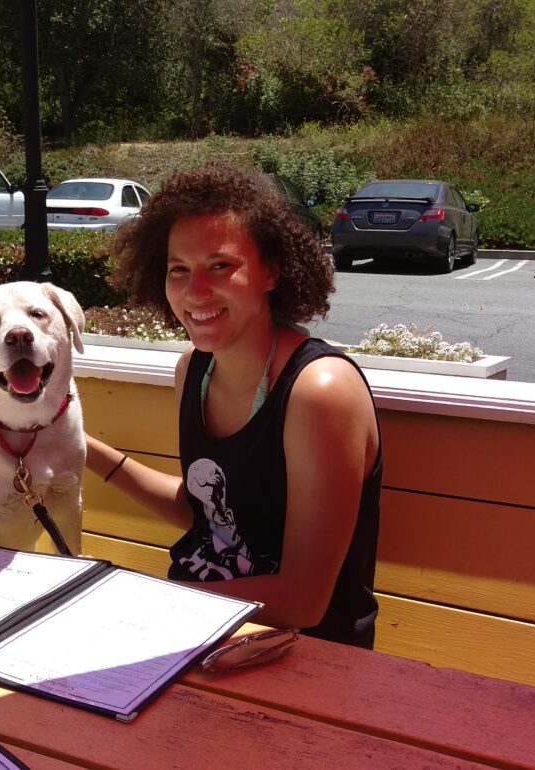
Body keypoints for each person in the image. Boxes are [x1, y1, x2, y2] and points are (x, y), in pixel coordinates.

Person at [85, 163, 383, 648]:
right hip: (198, 634)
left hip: (301, 656)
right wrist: (78, 447)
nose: (195, 292)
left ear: (271, 270)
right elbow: (210, 514)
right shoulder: (194, 369)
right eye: (178, 270)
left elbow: (304, 601)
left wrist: (155, 604)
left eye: (219, 266)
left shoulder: (318, 391)